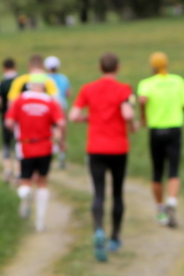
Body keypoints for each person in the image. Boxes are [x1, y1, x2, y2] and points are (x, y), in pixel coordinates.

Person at [69, 53, 137, 262]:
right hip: (118, 148)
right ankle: (114, 238)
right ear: (118, 67)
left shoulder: (88, 89)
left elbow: (73, 116)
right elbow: (127, 114)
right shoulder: (123, 89)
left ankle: (98, 229)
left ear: (100, 68)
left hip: (96, 148)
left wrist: (88, 118)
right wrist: (132, 123)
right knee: (117, 193)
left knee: (98, 193)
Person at [137, 52, 184, 228]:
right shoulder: (178, 81)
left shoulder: (146, 84)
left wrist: (143, 115)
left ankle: (160, 209)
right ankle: (172, 202)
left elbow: (142, 100)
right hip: (174, 128)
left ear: (151, 67)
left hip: (156, 130)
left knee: (157, 171)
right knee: (174, 169)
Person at [5, 74, 65, 231]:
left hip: (25, 146)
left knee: (25, 180)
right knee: (42, 182)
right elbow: (61, 123)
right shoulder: (50, 102)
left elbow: (9, 122)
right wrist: (61, 141)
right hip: (45, 145)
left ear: (29, 85)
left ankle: (25, 194)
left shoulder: (20, 100)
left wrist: (16, 132)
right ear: (44, 86)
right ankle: (40, 222)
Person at [45, 55, 71, 169]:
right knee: (62, 130)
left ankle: (50, 152)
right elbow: (69, 93)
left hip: (48, 107)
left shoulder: (44, 78)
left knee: (50, 131)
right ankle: (61, 154)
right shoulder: (63, 78)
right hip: (62, 106)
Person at [0, 57, 19, 182]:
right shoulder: (20, 82)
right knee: (18, 144)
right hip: (19, 118)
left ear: (3, 68)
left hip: (6, 116)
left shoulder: (3, 83)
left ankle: (7, 170)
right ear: (15, 67)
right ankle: (18, 171)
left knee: (6, 144)